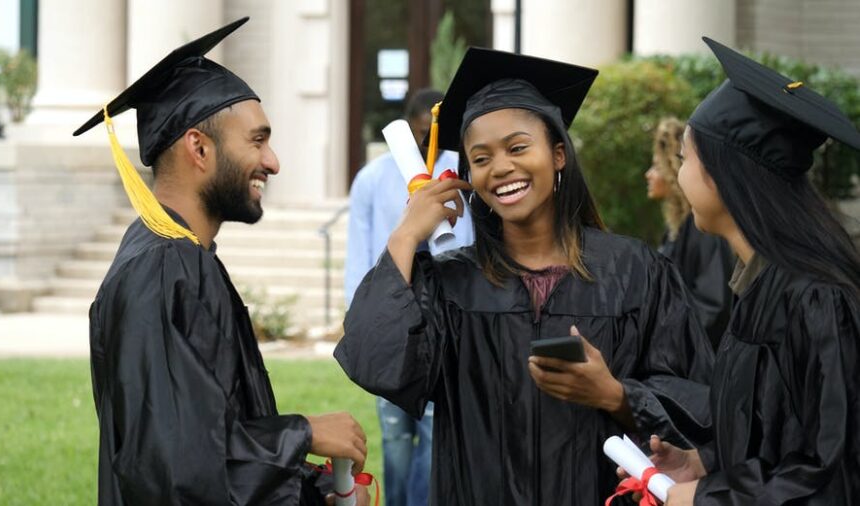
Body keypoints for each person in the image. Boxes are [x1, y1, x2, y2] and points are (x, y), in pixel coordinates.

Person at [334, 47, 714, 505]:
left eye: (518, 147)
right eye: (481, 158)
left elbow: (700, 405)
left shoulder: (635, 272)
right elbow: (375, 361)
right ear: (468, 174)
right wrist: (405, 235)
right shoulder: (451, 283)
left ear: (558, 155)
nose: (501, 168)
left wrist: (616, 396)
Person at [74, 18, 369, 505]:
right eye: (257, 140)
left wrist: (313, 492)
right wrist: (302, 434)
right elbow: (173, 471)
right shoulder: (166, 269)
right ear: (199, 147)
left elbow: (213, 434)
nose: (273, 162)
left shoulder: (179, 255)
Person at [642, 37, 860, 505]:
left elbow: (832, 477)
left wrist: (708, 498)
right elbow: (777, 437)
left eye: (685, 159)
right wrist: (703, 463)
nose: (679, 175)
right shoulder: (761, 287)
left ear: (724, 176)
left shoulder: (817, 300)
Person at [344, 88, 473, 506]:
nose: (425, 147)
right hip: (394, 314)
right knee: (396, 434)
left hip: (446, 316)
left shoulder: (460, 175)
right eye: (419, 137)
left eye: (431, 136)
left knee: (437, 428)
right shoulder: (373, 177)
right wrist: (361, 314)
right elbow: (359, 249)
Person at [645, 117, 734, 348]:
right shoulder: (676, 227)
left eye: (655, 166)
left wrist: (667, 343)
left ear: (671, 169)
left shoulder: (702, 228)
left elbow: (713, 306)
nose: (649, 174)